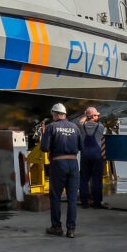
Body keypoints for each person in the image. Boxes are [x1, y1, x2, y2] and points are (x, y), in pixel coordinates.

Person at [39, 102, 83, 237]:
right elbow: (81, 146)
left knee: (56, 196)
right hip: (73, 163)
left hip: (58, 164)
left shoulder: (52, 127)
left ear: (56, 114)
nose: (52, 117)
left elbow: (45, 148)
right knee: (72, 198)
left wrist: (43, 134)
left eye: (53, 114)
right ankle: (71, 229)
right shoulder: (75, 127)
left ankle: (57, 227)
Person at [78, 106, 108, 209]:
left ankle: (85, 202)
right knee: (97, 180)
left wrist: (85, 115)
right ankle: (97, 202)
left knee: (84, 179)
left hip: (85, 155)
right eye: (96, 115)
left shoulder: (82, 126)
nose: (97, 117)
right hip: (97, 155)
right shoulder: (100, 127)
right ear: (94, 116)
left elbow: (80, 121)